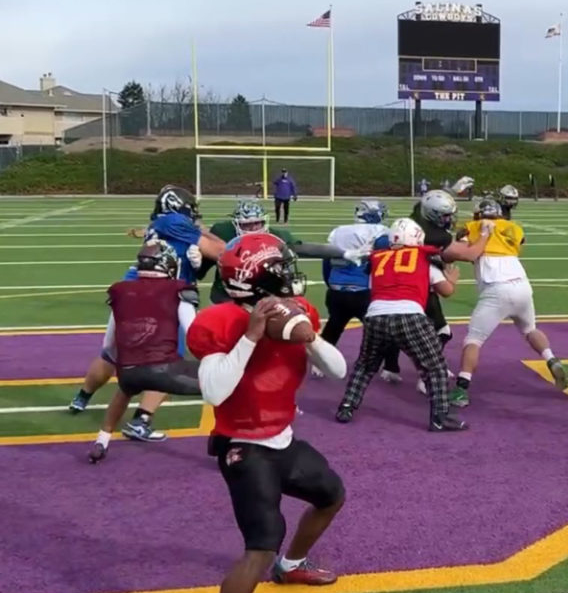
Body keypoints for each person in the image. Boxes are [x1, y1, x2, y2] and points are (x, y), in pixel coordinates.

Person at [186, 232, 349, 593]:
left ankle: (291, 565)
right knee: (259, 548)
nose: (292, 275)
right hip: (242, 444)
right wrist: (251, 336)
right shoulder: (219, 322)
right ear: (259, 279)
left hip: (281, 438)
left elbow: (337, 370)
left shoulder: (300, 313)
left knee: (330, 494)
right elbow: (214, 392)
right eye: (283, 268)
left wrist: (310, 338)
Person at [68, 185, 225, 442]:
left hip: (133, 288)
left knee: (113, 352)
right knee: (167, 357)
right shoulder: (175, 221)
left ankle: (82, 397)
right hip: (163, 293)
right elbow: (221, 252)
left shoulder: (160, 223)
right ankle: (142, 419)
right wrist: (208, 232)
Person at [335, 218, 469, 431]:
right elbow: (446, 291)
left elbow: (374, 287)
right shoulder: (423, 258)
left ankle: (347, 406)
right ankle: (439, 418)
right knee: (435, 367)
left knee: (365, 366)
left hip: (375, 316)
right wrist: (451, 279)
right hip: (409, 315)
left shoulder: (378, 259)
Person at [88, 241, 203, 463]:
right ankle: (228, 442)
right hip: (165, 369)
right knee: (223, 384)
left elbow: (108, 344)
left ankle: (101, 440)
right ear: (168, 265)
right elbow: (194, 334)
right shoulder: (178, 290)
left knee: (124, 390)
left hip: (128, 370)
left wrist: (124, 365)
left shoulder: (121, 291)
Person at [449, 197, 567, 408]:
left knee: (473, 340)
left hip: (496, 288)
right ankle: (552, 360)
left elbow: (460, 242)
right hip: (521, 284)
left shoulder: (474, 226)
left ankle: (461, 389)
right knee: (530, 329)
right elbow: (520, 240)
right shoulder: (512, 227)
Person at [405, 189, 489, 395]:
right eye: (445, 215)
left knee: (388, 332)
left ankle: (391, 369)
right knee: (441, 332)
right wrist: (486, 234)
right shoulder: (435, 234)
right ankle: (427, 376)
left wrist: (451, 191)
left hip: (400, 277)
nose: (449, 219)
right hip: (418, 284)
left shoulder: (416, 217)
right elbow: (469, 255)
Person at [201, 200, 348, 305]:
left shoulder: (275, 236)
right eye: (247, 224)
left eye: (257, 223)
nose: (253, 228)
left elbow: (304, 249)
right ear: (236, 224)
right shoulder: (222, 232)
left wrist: (344, 253)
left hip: (264, 295)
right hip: (227, 296)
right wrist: (195, 264)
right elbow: (203, 264)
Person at [319, 199, 402, 381]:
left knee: (334, 327)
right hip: (364, 292)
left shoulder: (338, 231)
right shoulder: (381, 233)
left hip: (336, 290)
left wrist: (330, 284)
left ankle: (320, 365)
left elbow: (326, 261)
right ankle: (390, 368)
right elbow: (384, 263)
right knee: (386, 330)